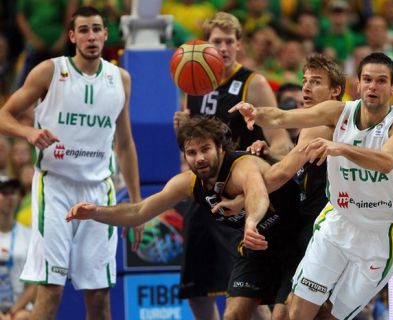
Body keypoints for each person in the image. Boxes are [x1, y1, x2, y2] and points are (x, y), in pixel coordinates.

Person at [230, 52, 393, 320]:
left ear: (392, 88)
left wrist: (339, 148)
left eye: (381, 81)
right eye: (367, 80)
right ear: (358, 84)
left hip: (380, 235)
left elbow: (386, 162)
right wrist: (256, 112)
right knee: (297, 311)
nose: (373, 87)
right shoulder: (337, 112)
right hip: (337, 222)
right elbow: (283, 118)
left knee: (331, 315)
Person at [67, 116, 302, 320]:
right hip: (258, 249)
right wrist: (96, 212)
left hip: (296, 242)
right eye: (191, 152)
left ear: (220, 148)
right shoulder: (188, 183)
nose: (199, 158)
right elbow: (138, 211)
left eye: (205, 149)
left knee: (284, 314)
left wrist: (251, 222)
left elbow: (255, 192)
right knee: (233, 314)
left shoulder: (242, 165)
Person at [0, 7, 141, 320]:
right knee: (51, 289)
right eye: (84, 30)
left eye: (96, 29)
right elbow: (3, 115)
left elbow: (126, 144)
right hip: (55, 186)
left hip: (98, 191)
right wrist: (28, 132)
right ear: (72, 35)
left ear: (106, 34)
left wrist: (136, 203)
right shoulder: (49, 71)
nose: (91, 36)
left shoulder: (120, 79)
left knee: (100, 297)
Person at [173, 11, 292, 319]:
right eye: (216, 41)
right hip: (204, 195)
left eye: (229, 41)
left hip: (240, 197)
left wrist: (263, 153)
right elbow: (189, 147)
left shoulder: (253, 82)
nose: (223, 47)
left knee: (245, 295)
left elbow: (282, 143)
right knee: (196, 290)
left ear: (239, 45)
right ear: (205, 47)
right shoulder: (192, 81)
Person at [249, 54, 345, 256]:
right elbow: (295, 165)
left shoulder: (321, 124)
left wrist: (243, 193)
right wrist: (270, 156)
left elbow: (282, 174)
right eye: (305, 81)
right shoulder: (325, 124)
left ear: (335, 91)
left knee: (299, 288)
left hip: (325, 222)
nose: (306, 88)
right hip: (325, 220)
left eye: (316, 82)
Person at [0, 176, 35, 320]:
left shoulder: (28, 234)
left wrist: (13, 312)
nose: (10, 197)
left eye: (13, 193)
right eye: (4, 193)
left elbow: (34, 283)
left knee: (23, 317)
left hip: (19, 309)